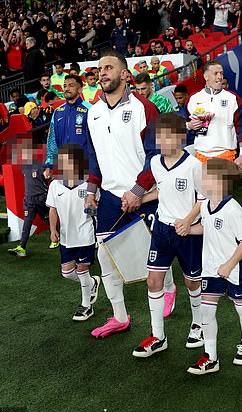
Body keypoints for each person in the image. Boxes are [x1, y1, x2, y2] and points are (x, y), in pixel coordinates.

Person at [84, 51, 163, 338]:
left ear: (125, 74)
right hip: (109, 196)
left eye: (109, 68)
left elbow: (156, 155)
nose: (102, 73)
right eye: (99, 69)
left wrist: (138, 190)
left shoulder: (145, 108)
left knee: (152, 259)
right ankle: (119, 316)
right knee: (105, 257)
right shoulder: (93, 111)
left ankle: (167, 292)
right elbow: (94, 155)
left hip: (144, 196)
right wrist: (92, 190)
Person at [132, 113, 205, 358]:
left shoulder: (194, 165)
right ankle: (158, 336)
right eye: (159, 136)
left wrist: (187, 220)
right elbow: (163, 191)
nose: (162, 141)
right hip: (162, 230)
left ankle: (198, 325)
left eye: (167, 136)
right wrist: (140, 199)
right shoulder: (154, 163)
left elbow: (203, 200)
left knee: (192, 282)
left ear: (180, 137)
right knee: (153, 281)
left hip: (188, 231)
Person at [186, 158, 242, 375]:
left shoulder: (233, 209)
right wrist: (187, 229)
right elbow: (206, 228)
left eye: (206, 177)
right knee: (206, 310)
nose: (202, 180)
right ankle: (211, 357)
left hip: (236, 268)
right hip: (211, 267)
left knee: (240, 305)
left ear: (221, 183)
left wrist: (229, 264)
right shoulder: (205, 205)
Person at [47, 144, 101, 321]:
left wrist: (91, 210)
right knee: (67, 272)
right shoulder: (55, 185)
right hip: (66, 236)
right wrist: (53, 230)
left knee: (82, 270)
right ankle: (92, 283)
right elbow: (52, 209)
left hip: (85, 234)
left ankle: (86, 306)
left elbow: (96, 207)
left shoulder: (88, 185)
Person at [186, 60, 242, 167]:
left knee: (224, 185)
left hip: (225, 154)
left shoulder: (233, 98)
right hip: (201, 154)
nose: (220, 77)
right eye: (216, 73)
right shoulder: (193, 99)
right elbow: (182, 124)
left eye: (221, 73)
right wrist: (189, 125)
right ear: (206, 77)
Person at [7, 132, 53, 259]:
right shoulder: (23, 167)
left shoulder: (40, 164)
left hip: (41, 197)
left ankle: (58, 238)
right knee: (27, 223)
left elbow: (49, 176)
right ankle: (22, 247)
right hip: (29, 200)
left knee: (49, 220)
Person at [44, 74, 92, 173]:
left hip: (86, 166)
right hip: (64, 167)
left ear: (80, 89)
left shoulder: (90, 109)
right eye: (65, 86)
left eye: (71, 85)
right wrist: (50, 163)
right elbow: (52, 139)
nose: (67, 88)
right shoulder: (58, 112)